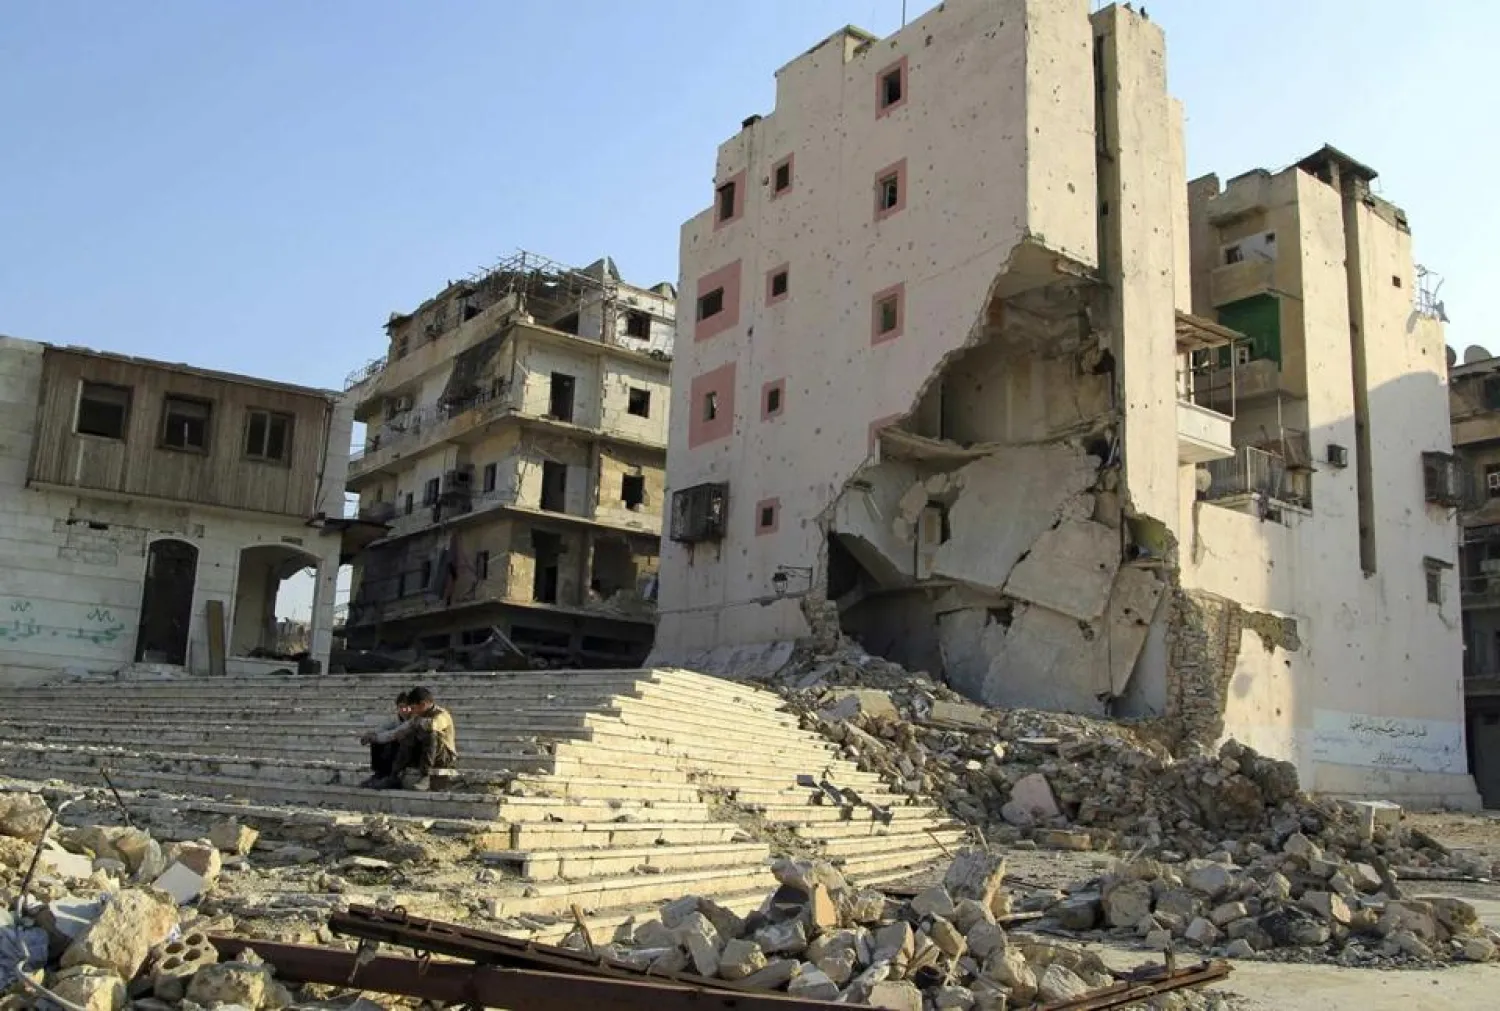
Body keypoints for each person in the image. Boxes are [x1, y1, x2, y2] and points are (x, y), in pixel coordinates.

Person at [362, 685, 457, 791]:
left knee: (430, 734)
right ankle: (393, 776)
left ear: (423, 704)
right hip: (426, 753)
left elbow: (434, 725)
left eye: (413, 708)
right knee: (406, 735)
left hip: (444, 757)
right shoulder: (418, 716)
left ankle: (425, 776)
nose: (412, 711)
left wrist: (418, 723)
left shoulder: (442, 714)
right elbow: (399, 731)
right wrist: (376, 737)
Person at [359, 691, 412, 789]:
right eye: (401, 707)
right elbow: (383, 728)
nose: (404, 710)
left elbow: (395, 733)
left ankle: (393, 777)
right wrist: (371, 734)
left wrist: (376, 737)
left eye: (407, 707)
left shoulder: (414, 720)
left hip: (412, 753)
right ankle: (379, 774)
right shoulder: (396, 719)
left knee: (393, 740)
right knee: (376, 741)